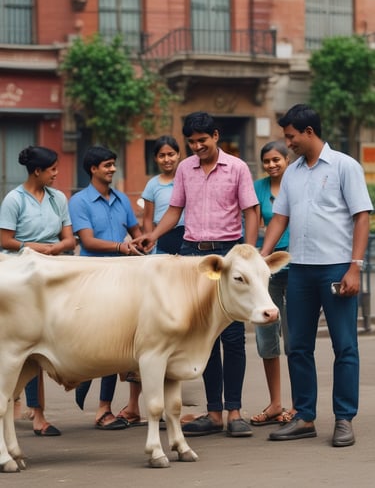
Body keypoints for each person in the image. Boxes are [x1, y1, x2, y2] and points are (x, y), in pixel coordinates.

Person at [133, 111, 259, 437]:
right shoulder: (185, 169)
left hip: (228, 256)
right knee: (205, 338)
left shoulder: (238, 168)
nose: (196, 147)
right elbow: (174, 210)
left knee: (232, 338)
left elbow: (251, 211)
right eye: (191, 142)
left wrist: (248, 254)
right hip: (193, 257)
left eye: (202, 141)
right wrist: (154, 235)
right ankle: (214, 414)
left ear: (216, 136)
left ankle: (235, 411)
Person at [260, 104, 373, 447]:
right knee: (297, 346)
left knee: (345, 346)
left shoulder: (344, 166)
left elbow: (362, 216)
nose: (287, 142)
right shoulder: (292, 173)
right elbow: (280, 218)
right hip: (300, 271)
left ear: (308, 132)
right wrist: (261, 257)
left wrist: (355, 266)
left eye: (291, 136)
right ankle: (305, 416)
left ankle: (343, 419)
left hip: (337, 268)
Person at [0, 145, 76, 436]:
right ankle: (39, 415)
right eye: (52, 169)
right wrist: (35, 248)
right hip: (22, 275)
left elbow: (68, 239)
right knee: (30, 344)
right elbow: (6, 240)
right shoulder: (14, 200)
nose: (57, 174)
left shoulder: (58, 198)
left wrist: (56, 248)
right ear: (37, 171)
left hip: (55, 269)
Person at [68, 145, 144, 430]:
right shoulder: (79, 202)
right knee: (94, 342)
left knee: (117, 343)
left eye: (113, 164)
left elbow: (137, 235)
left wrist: (145, 242)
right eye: (108, 165)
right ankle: (83, 378)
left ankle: (104, 410)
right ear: (93, 169)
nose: (112, 169)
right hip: (92, 278)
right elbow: (87, 242)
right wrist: (122, 247)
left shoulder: (122, 199)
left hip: (123, 279)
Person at [250, 141, 295, 426]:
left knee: (296, 339)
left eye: (276, 159)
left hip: (299, 268)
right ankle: (275, 404)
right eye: (266, 161)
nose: (272, 165)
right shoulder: (259, 188)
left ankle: (299, 405)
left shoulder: (297, 182)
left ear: (287, 160)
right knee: (267, 337)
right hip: (267, 271)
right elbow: (253, 222)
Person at [142, 135, 184, 254]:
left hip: (187, 240)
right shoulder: (152, 184)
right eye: (162, 155)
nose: (166, 160)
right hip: (163, 239)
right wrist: (149, 240)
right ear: (155, 158)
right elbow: (147, 218)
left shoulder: (187, 180)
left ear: (178, 154)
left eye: (171, 154)